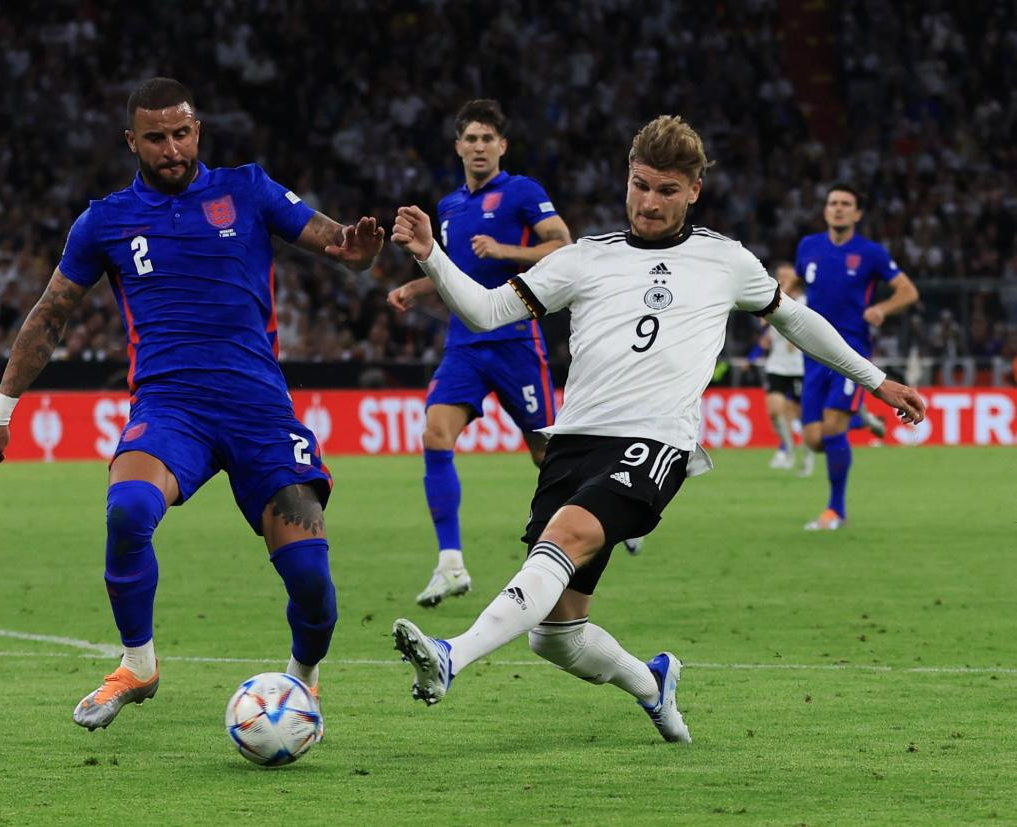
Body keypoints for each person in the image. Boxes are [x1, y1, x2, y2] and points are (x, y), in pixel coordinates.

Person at [388, 116, 925, 742]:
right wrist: (431, 255)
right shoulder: (584, 260)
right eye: (641, 185)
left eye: (667, 190)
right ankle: (653, 682)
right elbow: (484, 312)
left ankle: (452, 655)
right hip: (574, 443)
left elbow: (796, 321)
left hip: (658, 441)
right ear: (627, 179)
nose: (649, 201)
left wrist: (875, 380)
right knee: (555, 635)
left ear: (694, 190)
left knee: (567, 534)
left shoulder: (725, 260)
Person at [0, 78, 384, 732]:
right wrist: (0, 410)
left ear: (198, 130)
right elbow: (51, 314)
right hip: (171, 411)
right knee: (129, 508)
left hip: (259, 411)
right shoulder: (104, 221)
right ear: (132, 140)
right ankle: (138, 663)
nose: (173, 147)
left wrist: (357, 252)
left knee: (310, 576)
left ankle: (303, 677)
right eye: (157, 137)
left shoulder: (245, 189)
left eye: (182, 133)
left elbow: (335, 241)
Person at [387, 100, 573, 607]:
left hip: (516, 339)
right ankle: (451, 564)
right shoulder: (448, 207)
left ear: (502, 146)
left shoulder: (523, 192)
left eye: (488, 138)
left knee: (548, 455)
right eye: (470, 139)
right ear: (458, 147)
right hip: (465, 345)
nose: (479, 147)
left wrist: (508, 251)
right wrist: (414, 288)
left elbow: (564, 245)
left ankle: (603, 518)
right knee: (434, 433)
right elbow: (456, 272)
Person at [795, 185, 919, 530]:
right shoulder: (808, 247)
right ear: (825, 210)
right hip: (811, 352)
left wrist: (882, 308)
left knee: (833, 430)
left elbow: (908, 291)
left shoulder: (871, 253)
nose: (838, 209)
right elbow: (796, 284)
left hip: (851, 352)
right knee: (814, 440)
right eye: (833, 203)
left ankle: (836, 510)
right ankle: (861, 419)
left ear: (857, 214)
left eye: (845, 204)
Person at [759, 262, 812, 475]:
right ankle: (788, 451)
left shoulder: (806, 301)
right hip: (777, 365)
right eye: (779, 276)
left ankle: (807, 458)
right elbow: (763, 321)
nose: (782, 280)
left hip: (799, 366)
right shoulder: (772, 301)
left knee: (801, 416)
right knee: (774, 411)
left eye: (787, 276)